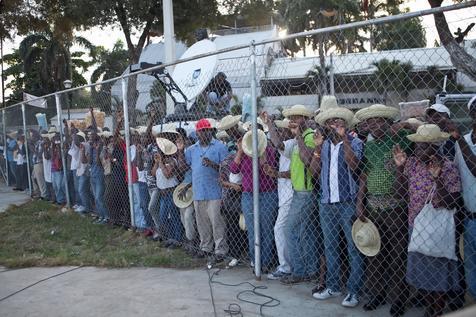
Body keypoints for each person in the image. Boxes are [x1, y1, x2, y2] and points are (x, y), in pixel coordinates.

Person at [393, 124, 462, 317]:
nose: (418, 150)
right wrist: (400, 168)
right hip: (416, 227)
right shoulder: (413, 163)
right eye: (417, 146)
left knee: (438, 272)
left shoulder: (447, 167)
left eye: (424, 146)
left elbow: (452, 202)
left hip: (438, 228)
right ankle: (430, 307)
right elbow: (400, 194)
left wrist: (437, 178)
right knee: (422, 271)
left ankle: (438, 310)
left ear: (435, 146)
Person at [354, 104, 411, 316]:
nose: (375, 125)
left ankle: (398, 299)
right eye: (371, 122)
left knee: (398, 255)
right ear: (366, 125)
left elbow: (421, 130)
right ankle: (377, 294)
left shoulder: (401, 138)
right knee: (375, 252)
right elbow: (364, 177)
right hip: (373, 207)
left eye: (380, 121)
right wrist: (360, 202)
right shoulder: (368, 148)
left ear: (388, 123)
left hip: (396, 207)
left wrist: (403, 124)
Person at [312, 106, 364, 308]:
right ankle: (333, 286)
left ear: (345, 123)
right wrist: (317, 148)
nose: (335, 124)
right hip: (327, 203)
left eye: (339, 120)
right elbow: (315, 173)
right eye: (331, 121)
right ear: (326, 125)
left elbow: (354, 166)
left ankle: (353, 291)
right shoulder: (323, 146)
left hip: (348, 202)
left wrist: (345, 141)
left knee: (353, 248)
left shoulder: (356, 142)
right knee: (330, 247)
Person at [275, 105, 323, 285]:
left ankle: (298, 270)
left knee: (289, 229)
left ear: (305, 119)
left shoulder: (309, 137)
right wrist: (271, 125)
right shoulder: (299, 138)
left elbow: (306, 159)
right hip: (299, 190)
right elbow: (278, 144)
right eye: (291, 118)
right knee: (306, 232)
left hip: (305, 191)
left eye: (297, 117)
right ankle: (310, 269)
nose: (293, 121)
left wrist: (298, 137)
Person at [177, 118, 229, 263]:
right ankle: (205, 248)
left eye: (206, 130)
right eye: (200, 131)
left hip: (215, 192)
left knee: (217, 222)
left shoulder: (220, 147)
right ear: (198, 133)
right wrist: (181, 150)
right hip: (199, 192)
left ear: (210, 131)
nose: (203, 133)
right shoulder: (192, 149)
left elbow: (227, 170)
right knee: (202, 223)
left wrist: (213, 165)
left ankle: (220, 250)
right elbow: (182, 167)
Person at [229, 127, 278, 272]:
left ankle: (265, 262)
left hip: (267, 194)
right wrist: (240, 150)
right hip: (249, 195)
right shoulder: (245, 151)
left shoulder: (269, 151)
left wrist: (261, 152)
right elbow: (233, 169)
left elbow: (268, 169)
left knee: (266, 229)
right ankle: (255, 261)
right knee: (252, 230)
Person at [264, 117, 294, 280]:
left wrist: (269, 125)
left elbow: (292, 173)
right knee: (286, 230)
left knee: (279, 229)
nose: (280, 133)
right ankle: (288, 265)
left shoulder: (290, 144)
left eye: (282, 130)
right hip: (285, 194)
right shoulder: (286, 148)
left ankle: (285, 266)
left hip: (290, 194)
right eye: (279, 130)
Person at [453, 96, 476, 300]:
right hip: (469, 217)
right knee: (470, 263)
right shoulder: (464, 141)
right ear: (471, 113)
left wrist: (458, 139)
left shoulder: (461, 141)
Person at [151, 138, 183, 247]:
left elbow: (167, 175)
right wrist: (157, 163)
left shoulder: (172, 161)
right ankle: (171, 237)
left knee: (174, 217)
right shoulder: (160, 162)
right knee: (163, 217)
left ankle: (177, 240)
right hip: (163, 194)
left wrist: (160, 162)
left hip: (171, 192)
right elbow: (153, 173)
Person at [31, 130, 47, 200]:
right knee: (33, 177)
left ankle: (44, 195)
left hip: (39, 163)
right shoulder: (36, 143)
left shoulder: (41, 143)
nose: (31, 138)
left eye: (32, 136)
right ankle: (37, 192)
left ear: (36, 136)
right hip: (35, 163)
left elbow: (40, 155)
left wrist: (32, 149)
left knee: (40, 180)